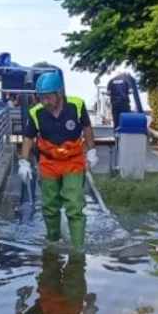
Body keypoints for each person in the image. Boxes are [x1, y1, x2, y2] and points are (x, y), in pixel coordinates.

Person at [18, 72, 98, 251]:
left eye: (48, 97)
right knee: (49, 206)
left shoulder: (76, 105)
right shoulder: (36, 112)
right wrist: (24, 162)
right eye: (41, 97)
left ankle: (78, 249)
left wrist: (91, 150)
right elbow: (29, 137)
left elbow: (86, 127)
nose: (44, 101)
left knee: (74, 205)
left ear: (59, 93)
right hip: (49, 163)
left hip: (73, 162)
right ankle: (53, 242)